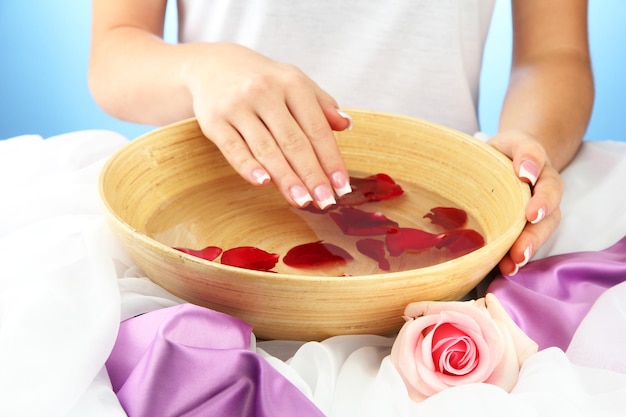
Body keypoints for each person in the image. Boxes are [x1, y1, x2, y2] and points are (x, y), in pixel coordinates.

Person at [88, 0, 594, 276]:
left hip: (437, 218)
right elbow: (115, 51)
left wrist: (527, 140)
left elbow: (553, 56)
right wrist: (198, 66)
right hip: (212, 213)